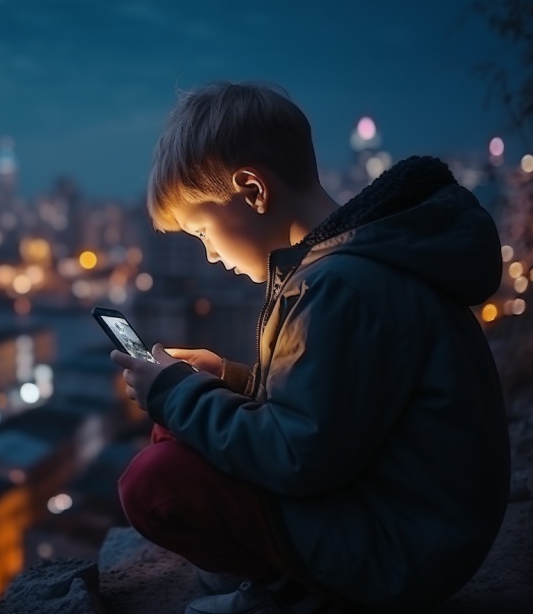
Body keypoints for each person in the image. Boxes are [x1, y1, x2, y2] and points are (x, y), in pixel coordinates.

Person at [109, 82, 510, 614]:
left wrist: (178, 394)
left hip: (401, 550)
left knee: (153, 481)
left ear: (252, 190)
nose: (208, 256)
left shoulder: (339, 285)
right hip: (403, 515)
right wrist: (227, 377)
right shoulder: (346, 264)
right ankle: (289, 572)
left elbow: (300, 455)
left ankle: (289, 591)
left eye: (203, 232)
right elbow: (337, 408)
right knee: (176, 421)